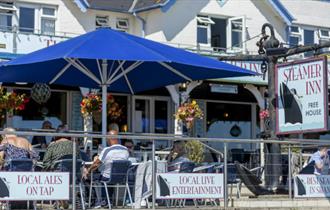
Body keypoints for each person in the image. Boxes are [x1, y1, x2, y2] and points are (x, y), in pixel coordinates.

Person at [83, 130, 129, 208]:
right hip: (121, 177)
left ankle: (96, 202)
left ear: (109, 138)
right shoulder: (125, 150)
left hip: (107, 177)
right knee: (108, 177)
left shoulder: (107, 150)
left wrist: (88, 171)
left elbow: (96, 164)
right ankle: (108, 201)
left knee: (88, 177)